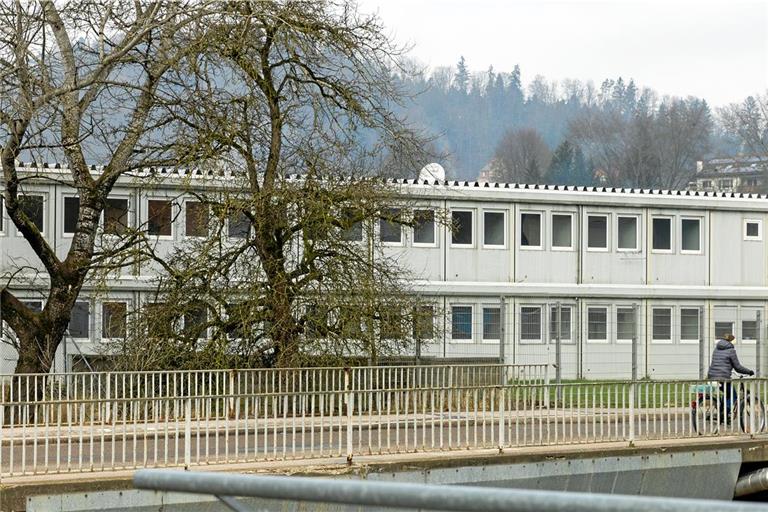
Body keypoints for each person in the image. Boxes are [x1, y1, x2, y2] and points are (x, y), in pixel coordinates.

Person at [707, 333, 754, 420]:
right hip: (723, 377)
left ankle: (722, 413)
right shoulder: (731, 350)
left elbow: (719, 364)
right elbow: (737, 367)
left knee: (727, 393)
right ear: (731, 341)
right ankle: (724, 413)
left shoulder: (716, 349)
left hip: (711, 376)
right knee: (733, 395)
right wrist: (749, 371)